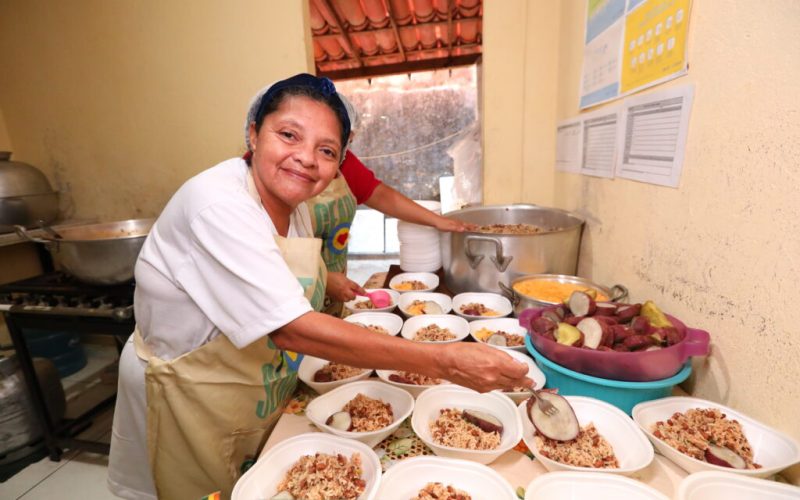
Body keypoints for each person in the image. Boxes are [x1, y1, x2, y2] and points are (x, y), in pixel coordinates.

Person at [107, 73, 531, 500]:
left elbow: (265, 263)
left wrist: (326, 279)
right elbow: (289, 327)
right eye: (289, 135)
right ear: (253, 134)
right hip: (185, 390)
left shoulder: (294, 205)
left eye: (325, 150)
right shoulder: (216, 204)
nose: (306, 158)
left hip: (244, 384)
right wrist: (444, 362)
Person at [304, 93, 472, 308]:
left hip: (333, 292)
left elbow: (381, 195)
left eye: (339, 143)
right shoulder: (270, 176)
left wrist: (437, 221)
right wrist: (322, 277)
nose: (309, 158)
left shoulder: (344, 162)